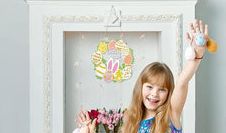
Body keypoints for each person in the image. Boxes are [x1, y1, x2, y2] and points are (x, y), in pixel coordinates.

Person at [74, 20, 208, 133]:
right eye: (149, 87)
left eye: (162, 89)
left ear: (168, 93)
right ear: (141, 87)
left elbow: (182, 82)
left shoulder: (171, 113)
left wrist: (196, 55)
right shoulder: (131, 121)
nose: (154, 94)